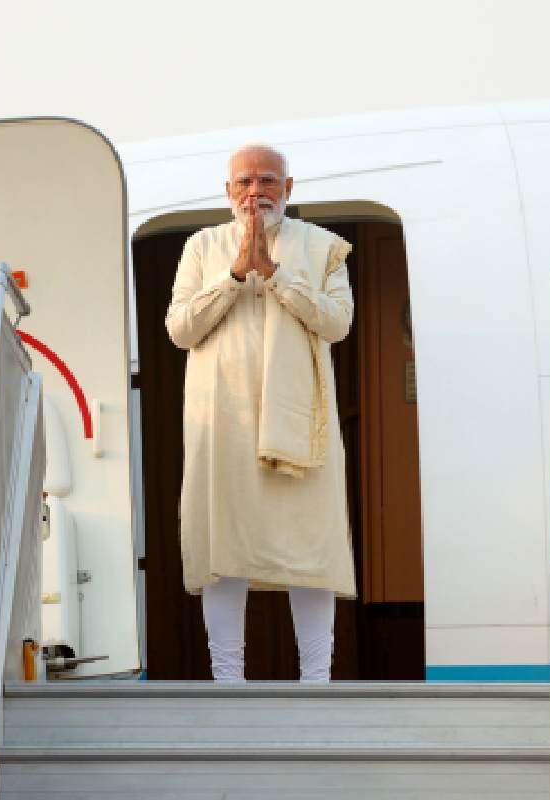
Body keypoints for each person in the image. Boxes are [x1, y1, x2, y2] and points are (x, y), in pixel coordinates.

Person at [165, 143, 356, 682]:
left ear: (288, 189)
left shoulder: (321, 249)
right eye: (244, 183)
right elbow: (180, 329)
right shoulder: (203, 247)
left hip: (299, 423)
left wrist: (275, 275)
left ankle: (316, 681)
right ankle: (228, 681)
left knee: (310, 548)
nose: (256, 193)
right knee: (224, 549)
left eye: (268, 181)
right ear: (228, 193)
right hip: (223, 423)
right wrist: (232, 276)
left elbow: (337, 323)